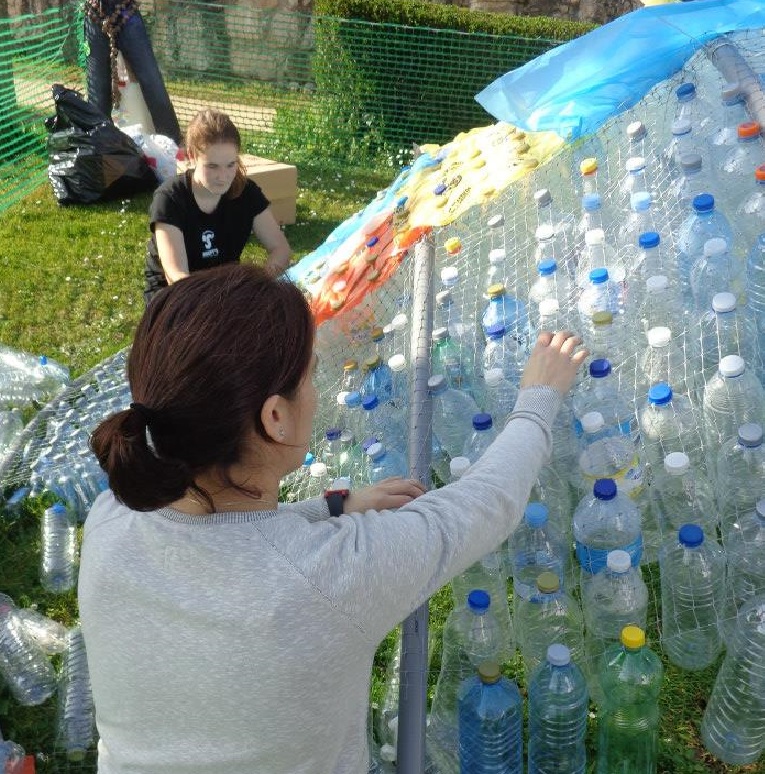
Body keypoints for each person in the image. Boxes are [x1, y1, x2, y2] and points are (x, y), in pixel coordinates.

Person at [80, 264, 586, 774]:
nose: (316, 391)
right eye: (311, 374)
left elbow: (235, 542)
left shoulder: (111, 519)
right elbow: (485, 504)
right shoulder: (329, 574)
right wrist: (538, 399)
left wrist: (332, 507)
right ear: (275, 418)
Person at [143, 110, 291, 304]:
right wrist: (219, 304)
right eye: (212, 166)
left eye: (231, 165)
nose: (223, 177)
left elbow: (281, 249)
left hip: (225, 290)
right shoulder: (170, 198)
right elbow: (176, 276)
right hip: (176, 297)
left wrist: (257, 285)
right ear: (192, 156)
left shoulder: (246, 192)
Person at [84, 0, 182, 144]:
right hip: (95, 16)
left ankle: (172, 142)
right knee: (98, 94)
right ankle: (99, 145)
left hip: (126, 12)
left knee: (152, 81)